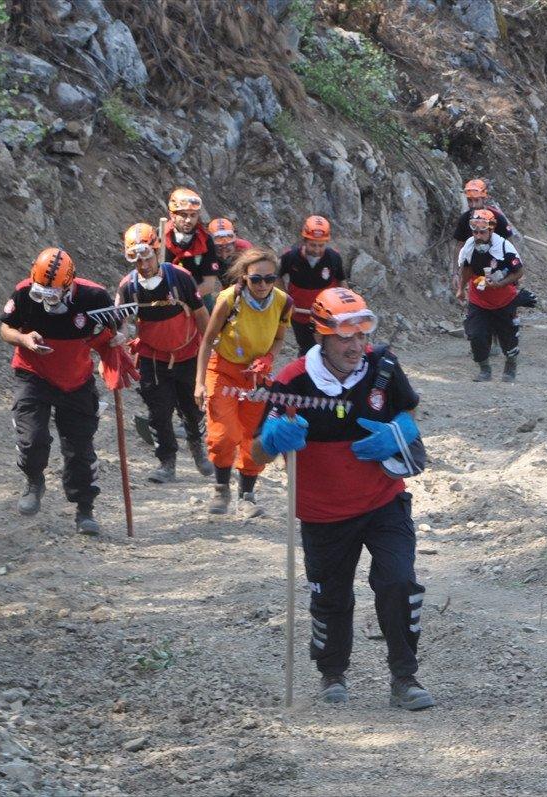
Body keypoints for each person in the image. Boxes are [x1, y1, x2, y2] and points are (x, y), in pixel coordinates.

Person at [251, 287, 435, 710]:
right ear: (321, 337)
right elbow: (257, 452)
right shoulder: (291, 382)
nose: (355, 346)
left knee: (399, 582)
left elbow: (407, 411)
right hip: (323, 512)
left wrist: (400, 431)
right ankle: (332, 673)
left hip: (383, 500)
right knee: (330, 594)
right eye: (344, 337)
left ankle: (404, 678)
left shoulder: (383, 370)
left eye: (360, 336)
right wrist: (274, 439)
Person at [0, 247, 137, 534]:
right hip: (33, 373)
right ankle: (34, 480)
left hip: (76, 380)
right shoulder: (24, 293)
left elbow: (117, 328)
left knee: (79, 449)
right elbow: (5, 329)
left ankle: (85, 509)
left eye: (52, 295)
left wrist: (118, 340)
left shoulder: (94, 297)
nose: (45, 300)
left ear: (69, 284)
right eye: (41, 293)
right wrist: (23, 339)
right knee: (33, 437)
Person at [194, 247, 292, 517]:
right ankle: (221, 488)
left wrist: (269, 358)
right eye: (256, 279)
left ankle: (246, 494)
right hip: (224, 370)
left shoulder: (284, 302)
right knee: (224, 433)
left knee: (252, 436)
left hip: (257, 376)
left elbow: (280, 337)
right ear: (244, 277)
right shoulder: (228, 299)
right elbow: (207, 340)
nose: (263, 285)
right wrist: (199, 383)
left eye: (269, 279)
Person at [115, 223, 213, 483]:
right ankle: (166, 462)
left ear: (157, 251)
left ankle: (197, 448)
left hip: (187, 355)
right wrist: (118, 336)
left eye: (146, 256)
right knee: (158, 413)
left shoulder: (180, 278)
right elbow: (120, 322)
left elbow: (203, 317)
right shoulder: (128, 286)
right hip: (153, 358)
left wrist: (210, 350)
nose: (143, 264)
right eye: (135, 258)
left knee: (192, 409)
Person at [457, 208, 524, 383]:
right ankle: (484, 368)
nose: (478, 235)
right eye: (475, 232)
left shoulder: (504, 247)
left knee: (508, 339)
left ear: (491, 230)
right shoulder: (469, 246)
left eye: (482, 232)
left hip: (504, 300)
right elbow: (466, 269)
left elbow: (519, 272)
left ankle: (510, 364)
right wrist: (461, 288)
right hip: (479, 300)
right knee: (476, 334)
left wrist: (500, 283)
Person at [279, 215, 348, 356]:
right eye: (313, 245)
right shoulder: (290, 257)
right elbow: (276, 276)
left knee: (328, 349)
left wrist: (344, 307)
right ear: (304, 241)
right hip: (300, 315)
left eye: (321, 245)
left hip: (326, 315)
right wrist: (286, 300)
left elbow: (342, 281)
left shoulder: (334, 258)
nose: (317, 250)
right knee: (306, 350)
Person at [450, 178, 513, 295]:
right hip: (476, 271)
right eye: (469, 201)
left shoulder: (497, 218)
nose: (473, 205)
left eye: (476, 200)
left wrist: (512, 270)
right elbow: (459, 246)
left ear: (484, 199)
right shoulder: (465, 220)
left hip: (497, 269)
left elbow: (509, 244)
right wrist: (455, 273)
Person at [164, 188, 222, 304]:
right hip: (166, 297)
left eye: (193, 215)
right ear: (172, 215)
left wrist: (185, 299)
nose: (188, 220)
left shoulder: (205, 241)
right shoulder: (160, 237)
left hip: (198, 296)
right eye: (183, 215)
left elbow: (209, 283)